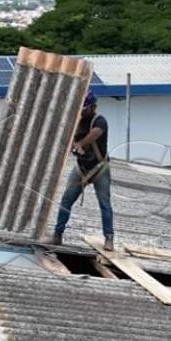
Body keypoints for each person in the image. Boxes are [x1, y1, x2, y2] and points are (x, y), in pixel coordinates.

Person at [50, 91, 114, 250]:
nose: (81, 112)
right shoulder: (76, 122)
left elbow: (96, 133)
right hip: (81, 168)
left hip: (99, 169)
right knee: (66, 200)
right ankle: (57, 234)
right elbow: (68, 139)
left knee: (104, 203)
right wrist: (72, 145)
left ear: (92, 107)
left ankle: (109, 238)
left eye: (84, 109)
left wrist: (81, 144)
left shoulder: (99, 121)